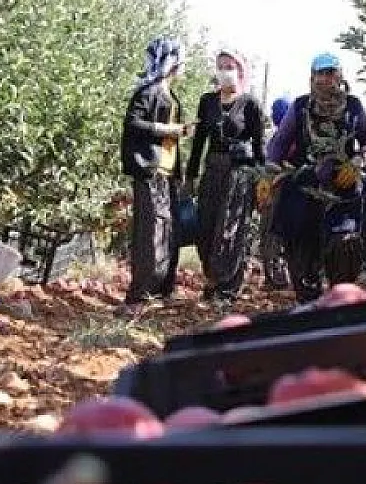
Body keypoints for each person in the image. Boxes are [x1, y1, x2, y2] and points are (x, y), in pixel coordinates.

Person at [266, 52, 366, 304]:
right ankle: (309, 304)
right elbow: (279, 144)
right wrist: (268, 174)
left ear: (340, 75)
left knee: (344, 244)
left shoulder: (353, 106)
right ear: (312, 77)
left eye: (331, 73)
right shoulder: (300, 107)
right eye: (321, 74)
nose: (326, 79)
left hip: (343, 186)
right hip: (305, 186)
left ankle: (341, 301)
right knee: (302, 250)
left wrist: (360, 161)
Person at [185, 47, 267, 302]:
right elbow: (198, 141)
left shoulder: (250, 104)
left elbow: (259, 145)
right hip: (212, 171)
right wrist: (190, 176)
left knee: (231, 230)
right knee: (206, 229)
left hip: (240, 174)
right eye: (221, 66)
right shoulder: (207, 101)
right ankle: (211, 279)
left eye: (230, 66)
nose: (225, 72)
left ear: (240, 70)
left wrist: (263, 180)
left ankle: (228, 287)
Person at [120, 36, 192, 308]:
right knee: (150, 233)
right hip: (149, 170)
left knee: (168, 232)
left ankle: (161, 290)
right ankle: (141, 295)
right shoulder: (147, 93)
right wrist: (167, 130)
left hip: (166, 173)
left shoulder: (170, 95)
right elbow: (133, 124)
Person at [257, 96, 294, 290]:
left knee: (271, 235)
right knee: (277, 236)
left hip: (277, 191)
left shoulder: (280, 139)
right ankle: (278, 276)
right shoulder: (280, 137)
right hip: (277, 192)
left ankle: (276, 278)